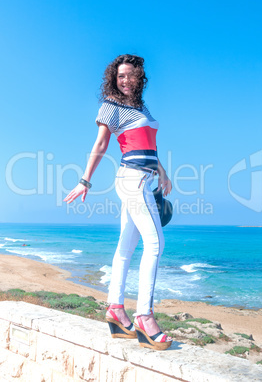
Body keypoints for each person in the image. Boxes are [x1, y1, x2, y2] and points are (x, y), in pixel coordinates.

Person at [64, 54, 172, 350]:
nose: (125, 80)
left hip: (145, 179)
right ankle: (145, 318)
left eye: (130, 75)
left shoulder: (141, 106)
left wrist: (162, 172)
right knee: (156, 244)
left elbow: (150, 145)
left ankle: (115, 309)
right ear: (114, 78)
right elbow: (100, 144)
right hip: (132, 179)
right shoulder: (111, 104)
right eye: (120, 76)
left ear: (140, 78)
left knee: (125, 247)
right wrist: (84, 180)